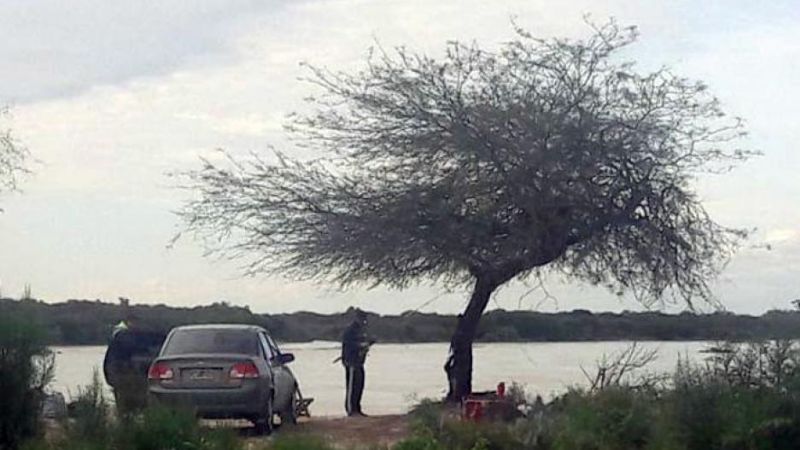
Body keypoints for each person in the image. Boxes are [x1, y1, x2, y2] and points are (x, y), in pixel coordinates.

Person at [341, 309, 373, 417]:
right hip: (351, 362)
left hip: (359, 362)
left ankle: (357, 409)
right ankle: (351, 410)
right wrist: (361, 345)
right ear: (357, 318)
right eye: (362, 319)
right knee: (351, 386)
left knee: (359, 385)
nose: (364, 321)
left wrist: (368, 344)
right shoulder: (350, 330)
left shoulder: (361, 330)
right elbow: (349, 344)